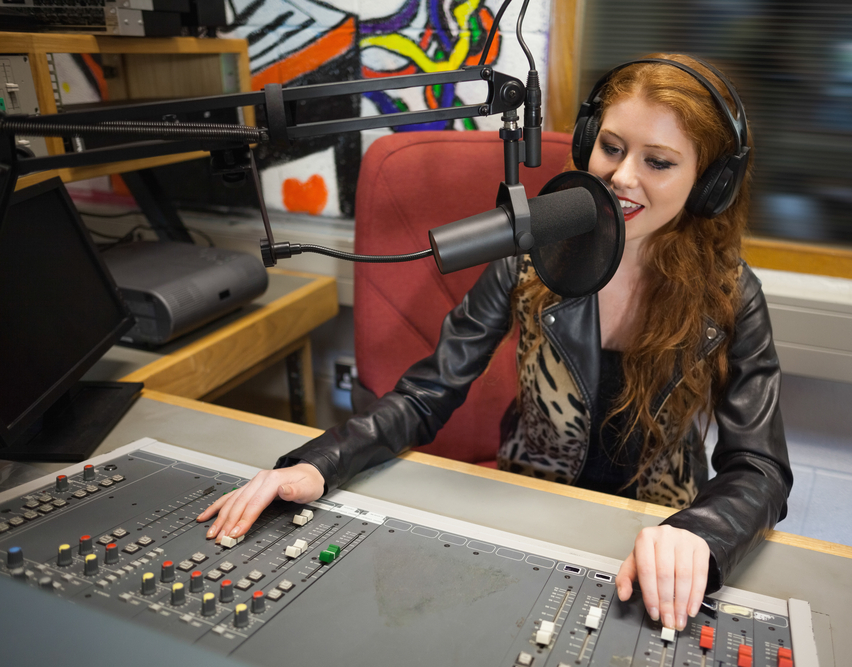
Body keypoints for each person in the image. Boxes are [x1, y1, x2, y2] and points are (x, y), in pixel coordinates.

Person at [197, 54, 792, 634]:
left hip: (662, 533)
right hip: (529, 514)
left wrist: (699, 534)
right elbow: (429, 391)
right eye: (611, 147)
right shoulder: (532, 250)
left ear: (709, 183)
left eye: (658, 161)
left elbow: (758, 465)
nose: (621, 177)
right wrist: (319, 464)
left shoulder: (729, 293)